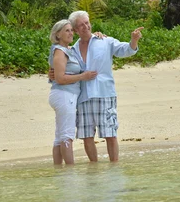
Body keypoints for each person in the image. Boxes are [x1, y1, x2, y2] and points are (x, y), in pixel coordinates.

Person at [68, 10, 143, 162]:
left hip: (105, 93)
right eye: (81, 25)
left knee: (110, 133)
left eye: (87, 23)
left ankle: (114, 168)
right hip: (83, 96)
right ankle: (94, 168)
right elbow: (65, 70)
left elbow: (125, 50)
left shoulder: (105, 41)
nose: (85, 27)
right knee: (86, 135)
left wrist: (134, 40)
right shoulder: (72, 50)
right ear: (75, 30)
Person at [48, 19, 98, 165]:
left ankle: (58, 171)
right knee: (67, 136)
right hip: (64, 94)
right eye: (66, 31)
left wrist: (98, 34)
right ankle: (70, 172)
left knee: (60, 137)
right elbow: (60, 78)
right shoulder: (60, 51)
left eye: (71, 30)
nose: (70, 33)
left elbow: (55, 73)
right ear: (58, 35)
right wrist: (83, 76)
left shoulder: (68, 50)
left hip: (65, 95)